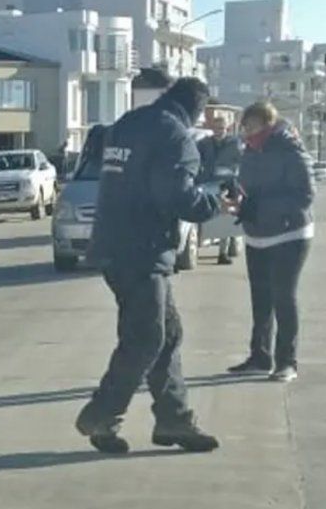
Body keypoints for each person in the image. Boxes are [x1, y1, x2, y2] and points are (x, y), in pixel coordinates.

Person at [77, 78, 222, 454]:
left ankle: (175, 420)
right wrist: (214, 203)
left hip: (112, 244)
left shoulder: (128, 123)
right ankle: (101, 414)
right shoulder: (174, 136)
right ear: (196, 109)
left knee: (167, 334)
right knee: (146, 338)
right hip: (142, 250)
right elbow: (176, 195)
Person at [226, 102, 314, 382]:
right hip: (257, 234)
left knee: (283, 297)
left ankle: (287, 362)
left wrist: (262, 206)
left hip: (290, 234)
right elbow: (247, 187)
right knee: (260, 299)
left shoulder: (290, 150)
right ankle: (260, 357)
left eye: (250, 126)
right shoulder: (249, 151)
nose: (246, 131)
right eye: (244, 126)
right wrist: (240, 202)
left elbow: (305, 196)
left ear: (268, 124)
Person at [196, 116, 244, 264]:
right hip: (208, 183)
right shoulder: (204, 143)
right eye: (216, 128)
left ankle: (222, 253)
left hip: (228, 183)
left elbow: (242, 161)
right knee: (204, 214)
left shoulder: (234, 143)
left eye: (222, 128)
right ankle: (197, 245)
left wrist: (239, 179)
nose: (219, 131)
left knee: (226, 218)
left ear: (227, 129)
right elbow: (196, 160)